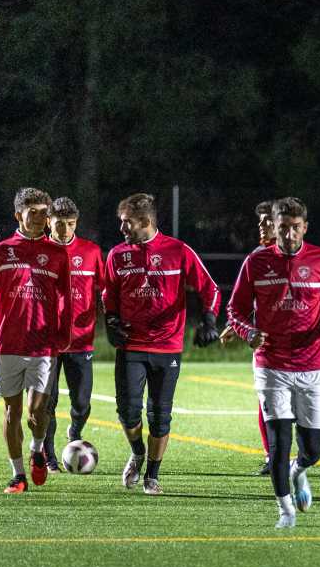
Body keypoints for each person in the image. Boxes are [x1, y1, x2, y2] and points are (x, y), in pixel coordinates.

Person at [227, 197, 320, 528]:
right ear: (273, 228)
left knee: (313, 450)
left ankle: (299, 471)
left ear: (305, 227)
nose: (289, 234)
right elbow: (235, 309)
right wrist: (248, 332)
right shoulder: (257, 261)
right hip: (271, 365)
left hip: (312, 365)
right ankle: (285, 510)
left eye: (295, 228)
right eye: (283, 228)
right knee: (279, 444)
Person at [104, 193, 221, 495]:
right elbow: (109, 295)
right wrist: (111, 321)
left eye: (126, 223)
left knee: (159, 414)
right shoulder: (117, 255)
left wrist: (209, 320)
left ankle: (152, 475)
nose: (122, 229)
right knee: (127, 412)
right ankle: (138, 452)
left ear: (145, 222)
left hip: (167, 346)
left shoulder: (177, 251)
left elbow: (210, 288)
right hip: (131, 345)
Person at [0, 187, 72, 493]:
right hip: (9, 345)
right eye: (34, 212)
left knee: (36, 413)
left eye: (45, 212)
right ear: (19, 215)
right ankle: (18, 476)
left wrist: (64, 334)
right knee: (12, 412)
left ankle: (38, 449)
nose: (41, 218)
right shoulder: (1, 252)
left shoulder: (57, 254)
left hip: (44, 345)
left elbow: (66, 297)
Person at [41, 196, 105, 471]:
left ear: (76, 222)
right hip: (46, 342)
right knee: (47, 402)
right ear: (48, 223)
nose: (64, 230)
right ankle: (49, 455)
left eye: (69, 224)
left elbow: (105, 288)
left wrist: (108, 310)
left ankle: (75, 431)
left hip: (82, 340)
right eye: (59, 224)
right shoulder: (39, 251)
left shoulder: (91, 251)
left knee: (81, 402)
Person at [220, 200, 278, 476]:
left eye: (268, 220)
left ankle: (304, 453)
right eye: (260, 221)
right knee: (265, 399)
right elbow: (244, 302)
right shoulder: (257, 257)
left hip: (302, 348)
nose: (262, 225)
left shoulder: (305, 257)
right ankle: (272, 456)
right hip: (267, 345)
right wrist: (240, 325)